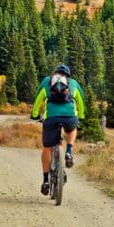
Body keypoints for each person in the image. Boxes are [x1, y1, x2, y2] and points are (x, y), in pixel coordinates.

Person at [30, 64, 85, 196]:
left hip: (51, 118)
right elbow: (81, 101)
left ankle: (45, 181)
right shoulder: (73, 83)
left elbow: (38, 99)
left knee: (47, 148)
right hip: (70, 117)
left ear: (55, 74)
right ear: (68, 76)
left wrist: (35, 114)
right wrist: (81, 117)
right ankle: (69, 151)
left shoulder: (47, 82)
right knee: (72, 130)